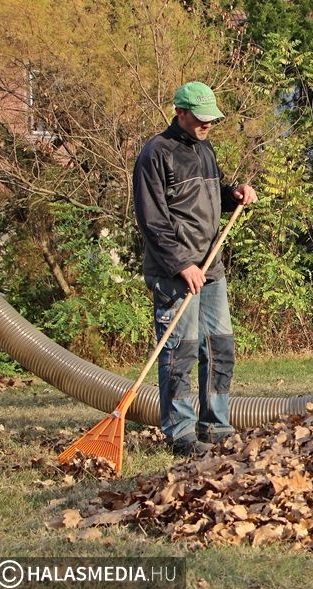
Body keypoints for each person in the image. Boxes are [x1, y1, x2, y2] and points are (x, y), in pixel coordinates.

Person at [133, 81, 257, 457]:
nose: (207, 126)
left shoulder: (205, 149)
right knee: (180, 351)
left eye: (212, 120)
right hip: (175, 271)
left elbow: (211, 194)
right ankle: (181, 432)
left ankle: (215, 425)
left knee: (219, 346)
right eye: (201, 119)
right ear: (180, 113)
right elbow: (152, 220)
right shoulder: (155, 154)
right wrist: (181, 263)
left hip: (211, 266)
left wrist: (233, 193)